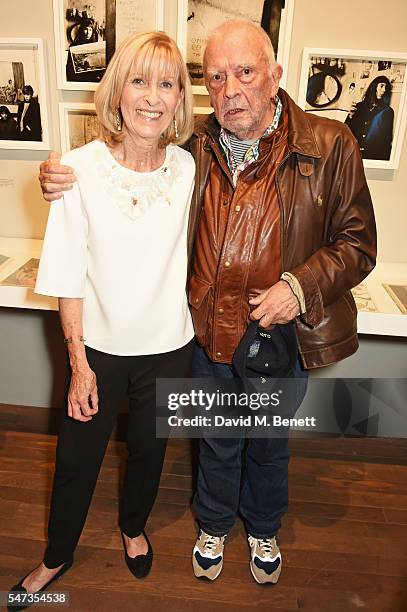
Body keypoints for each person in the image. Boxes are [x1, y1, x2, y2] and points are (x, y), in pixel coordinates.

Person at [38, 20, 377, 586]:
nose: (231, 89)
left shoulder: (330, 144)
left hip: (280, 336)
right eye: (216, 77)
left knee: (267, 444)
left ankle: (264, 528)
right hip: (208, 334)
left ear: (275, 76)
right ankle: (214, 524)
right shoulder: (195, 148)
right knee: (216, 441)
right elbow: (124, 170)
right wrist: (57, 174)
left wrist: (299, 286)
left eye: (245, 72)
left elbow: (359, 242)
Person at [8, 30, 195, 607]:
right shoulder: (77, 170)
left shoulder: (189, 168)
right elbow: (65, 272)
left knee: (149, 451)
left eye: (167, 84)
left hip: (170, 345)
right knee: (77, 459)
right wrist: (78, 362)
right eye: (140, 81)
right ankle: (56, 556)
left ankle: (133, 526)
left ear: (180, 101)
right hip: (100, 349)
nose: (152, 96)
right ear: (117, 92)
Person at [345, 75, 394, 160]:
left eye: (386, 87)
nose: (384, 90)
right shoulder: (359, 106)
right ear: (374, 87)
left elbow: (387, 138)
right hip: (354, 152)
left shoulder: (387, 111)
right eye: (381, 86)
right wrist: (350, 116)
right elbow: (346, 130)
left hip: (374, 154)